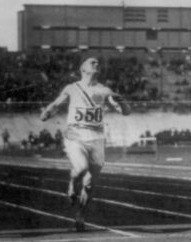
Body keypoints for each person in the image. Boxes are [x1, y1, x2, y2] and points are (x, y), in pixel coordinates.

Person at [40, 57, 130, 231]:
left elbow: (125, 111)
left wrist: (122, 101)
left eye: (98, 62)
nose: (97, 64)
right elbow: (57, 104)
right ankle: (72, 184)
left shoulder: (104, 90)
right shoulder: (72, 88)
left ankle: (80, 214)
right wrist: (47, 113)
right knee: (81, 168)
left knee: (90, 184)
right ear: (83, 69)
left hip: (96, 138)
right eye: (92, 62)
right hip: (76, 136)